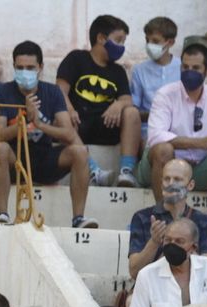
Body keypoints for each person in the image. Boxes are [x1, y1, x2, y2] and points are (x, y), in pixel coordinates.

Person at [140, 44, 207, 236]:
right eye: (185, 67)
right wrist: (199, 142)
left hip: (200, 167)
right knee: (163, 149)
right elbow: (156, 135)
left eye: (195, 68)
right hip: (164, 165)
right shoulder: (166, 93)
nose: (189, 72)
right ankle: (164, 218)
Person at [0, 40, 94, 228]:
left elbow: (68, 134)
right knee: (0, 149)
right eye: (20, 68)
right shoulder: (2, 92)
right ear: (13, 67)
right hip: (16, 161)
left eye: (30, 67)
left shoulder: (52, 92)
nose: (25, 72)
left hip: (45, 158)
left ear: (41, 67)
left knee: (79, 151)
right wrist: (25, 122)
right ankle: (2, 215)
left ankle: (78, 218)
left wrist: (39, 124)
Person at [56, 15, 141, 188]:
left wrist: (118, 105)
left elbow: (127, 100)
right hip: (78, 124)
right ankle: (92, 169)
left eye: (123, 42)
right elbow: (59, 92)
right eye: (118, 40)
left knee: (132, 112)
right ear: (101, 38)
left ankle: (126, 172)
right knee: (61, 115)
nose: (121, 47)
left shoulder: (118, 71)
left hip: (106, 124)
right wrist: (70, 110)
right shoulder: (77, 58)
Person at [126, 157, 207, 280]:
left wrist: (182, 247)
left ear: (190, 185)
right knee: (131, 300)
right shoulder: (143, 217)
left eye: (177, 179)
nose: (171, 184)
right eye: (167, 179)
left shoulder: (203, 221)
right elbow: (134, 272)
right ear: (161, 183)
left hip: (190, 286)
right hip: (152, 286)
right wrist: (154, 242)